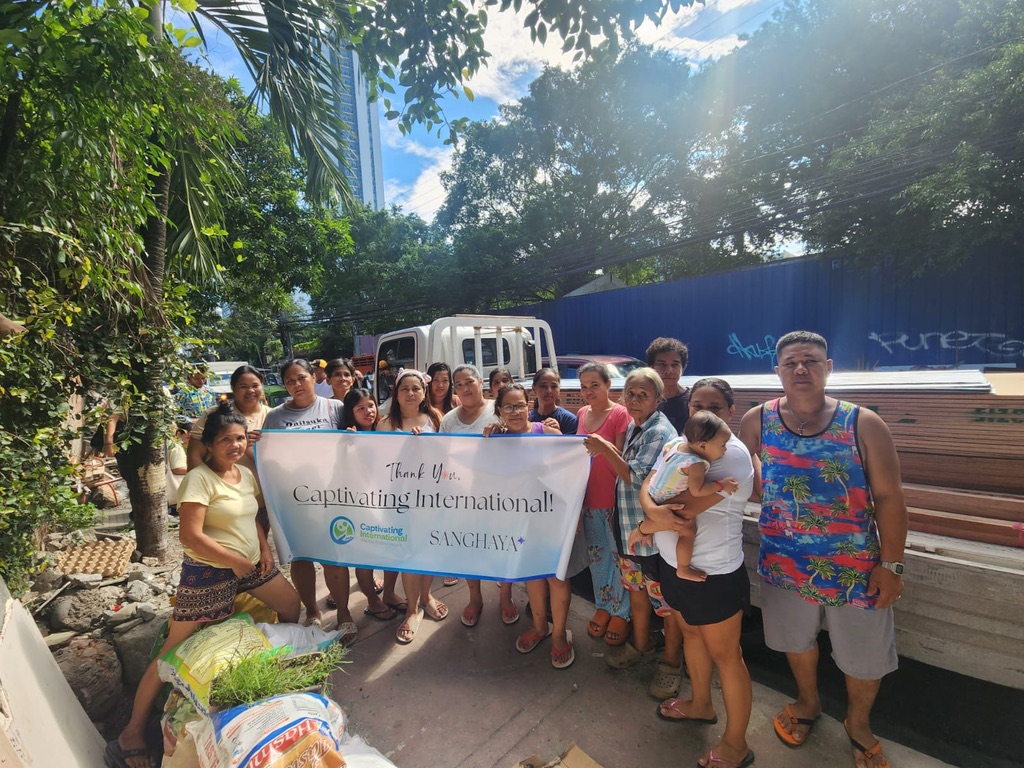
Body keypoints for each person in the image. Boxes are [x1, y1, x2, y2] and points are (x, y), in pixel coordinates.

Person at [739, 331, 906, 768]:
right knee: (796, 642)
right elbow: (744, 475)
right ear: (776, 371)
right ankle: (808, 703)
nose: (800, 369)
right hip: (783, 561)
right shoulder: (757, 420)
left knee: (864, 657)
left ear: (828, 368)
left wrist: (891, 565)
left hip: (855, 567)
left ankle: (858, 724)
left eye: (811, 361)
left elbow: (890, 498)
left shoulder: (863, 423)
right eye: (790, 362)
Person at [114, 401, 300, 768]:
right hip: (209, 574)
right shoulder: (199, 479)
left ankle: (277, 673)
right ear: (210, 445)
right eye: (227, 440)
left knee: (292, 607)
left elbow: (254, 518)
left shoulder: (244, 475)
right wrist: (235, 562)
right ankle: (132, 731)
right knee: (171, 652)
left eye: (241, 438)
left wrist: (264, 549)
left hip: (250, 565)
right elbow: (190, 536)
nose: (235, 445)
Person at [639, 376, 756, 768]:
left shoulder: (731, 456)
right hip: (676, 567)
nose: (704, 414)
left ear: (731, 411)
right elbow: (650, 484)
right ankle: (701, 703)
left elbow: (684, 510)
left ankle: (737, 744)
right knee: (690, 634)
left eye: (715, 408)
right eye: (696, 407)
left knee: (727, 655)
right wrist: (651, 512)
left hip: (714, 574)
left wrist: (647, 523)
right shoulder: (682, 442)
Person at [582, 367, 683, 700]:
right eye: (632, 394)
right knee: (637, 594)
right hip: (629, 530)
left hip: (649, 535)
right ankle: (640, 645)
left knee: (665, 604)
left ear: (658, 398)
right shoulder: (639, 427)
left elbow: (634, 477)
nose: (636, 400)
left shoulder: (659, 431)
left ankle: (670, 664)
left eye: (644, 395)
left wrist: (604, 448)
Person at [259, 360, 354, 643]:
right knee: (301, 557)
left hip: (332, 495)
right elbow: (267, 456)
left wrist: (353, 438)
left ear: (314, 378)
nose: (297, 385)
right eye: (290, 381)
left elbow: (358, 441)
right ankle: (312, 611)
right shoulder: (275, 417)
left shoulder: (334, 408)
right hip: (294, 499)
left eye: (301, 378)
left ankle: (345, 615)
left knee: (334, 557)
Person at [489, 384, 579, 668]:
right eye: (508, 407)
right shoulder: (496, 441)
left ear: (529, 404)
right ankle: (540, 628)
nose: (515, 412)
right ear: (499, 412)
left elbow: (572, 472)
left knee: (557, 577)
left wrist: (573, 513)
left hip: (552, 517)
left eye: (520, 405)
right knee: (533, 575)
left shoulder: (548, 432)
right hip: (518, 520)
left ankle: (559, 635)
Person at [438, 365, 519, 627]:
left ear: (480, 382)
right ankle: (475, 598)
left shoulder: (500, 408)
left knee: (503, 546)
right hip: (463, 499)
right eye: (458, 384)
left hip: (500, 497)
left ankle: (505, 596)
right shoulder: (449, 420)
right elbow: (440, 457)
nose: (464, 388)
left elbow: (523, 435)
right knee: (469, 548)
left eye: (468, 382)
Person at [378, 369, 447, 644]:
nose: (410, 393)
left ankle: (427, 595)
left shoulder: (436, 418)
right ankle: (411, 608)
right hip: (398, 498)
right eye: (404, 388)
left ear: (424, 392)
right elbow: (376, 461)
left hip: (430, 497)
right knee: (407, 552)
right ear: (396, 392)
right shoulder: (384, 423)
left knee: (427, 548)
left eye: (415, 389)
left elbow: (448, 456)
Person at [574, 362, 632, 646]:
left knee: (620, 559)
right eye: (584, 386)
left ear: (608, 385)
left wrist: (603, 447)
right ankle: (603, 604)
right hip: (588, 498)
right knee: (598, 557)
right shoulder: (582, 413)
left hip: (614, 500)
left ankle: (622, 611)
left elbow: (622, 456)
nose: (588, 391)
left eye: (594, 385)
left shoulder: (620, 414)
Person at [647, 412, 740, 581]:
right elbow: (698, 491)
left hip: (653, 490)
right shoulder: (695, 463)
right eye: (723, 445)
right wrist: (721, 485)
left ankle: (645, 530)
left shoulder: (676, 443)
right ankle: (683, 568)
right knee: (687, 529)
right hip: (665, 498)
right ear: (703, 446)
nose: (725, 450)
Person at [339, 388, 403, 623]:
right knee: (365, 556)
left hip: (388, 503)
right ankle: (372, 600)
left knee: (391, 549)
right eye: (360, 408)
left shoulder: (386, 429)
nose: (368, 411)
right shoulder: (345, 437)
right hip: (360, 506)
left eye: (371, 406)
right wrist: (346, 445)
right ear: (351, 412)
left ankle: (388, 593)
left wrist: (417, 435)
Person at [188, 365, 272, 531]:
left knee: (256, 549)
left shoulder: (272, 416)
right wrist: (207, 489)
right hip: (221, 502)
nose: (250, 391)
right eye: (243, 386)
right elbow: (194, 455)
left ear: (262, 386)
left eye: (255, 385)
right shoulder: (216, 414)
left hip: (260, 501)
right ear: (233, 388)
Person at [647, 337, 690, 434]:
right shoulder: (643, 399)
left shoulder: (692, 401)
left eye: (675, 365)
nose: (668, 371)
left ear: (683, 368)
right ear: (651, 367)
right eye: (662, 364)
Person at [529, 367, 578, 434]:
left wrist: (557, 433)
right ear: (534, 389)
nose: (549, 391)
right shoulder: (527, 418)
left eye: (554, 386)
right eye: (543, 386)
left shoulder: (569, 420)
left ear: (559, 390)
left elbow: (570, 444)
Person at [165, 421, 190, 517]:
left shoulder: (163, 444)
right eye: (188, 437)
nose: (189, 441)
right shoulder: (175, 446)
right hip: (174, 493)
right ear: (178, 433)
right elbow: (178, 468)